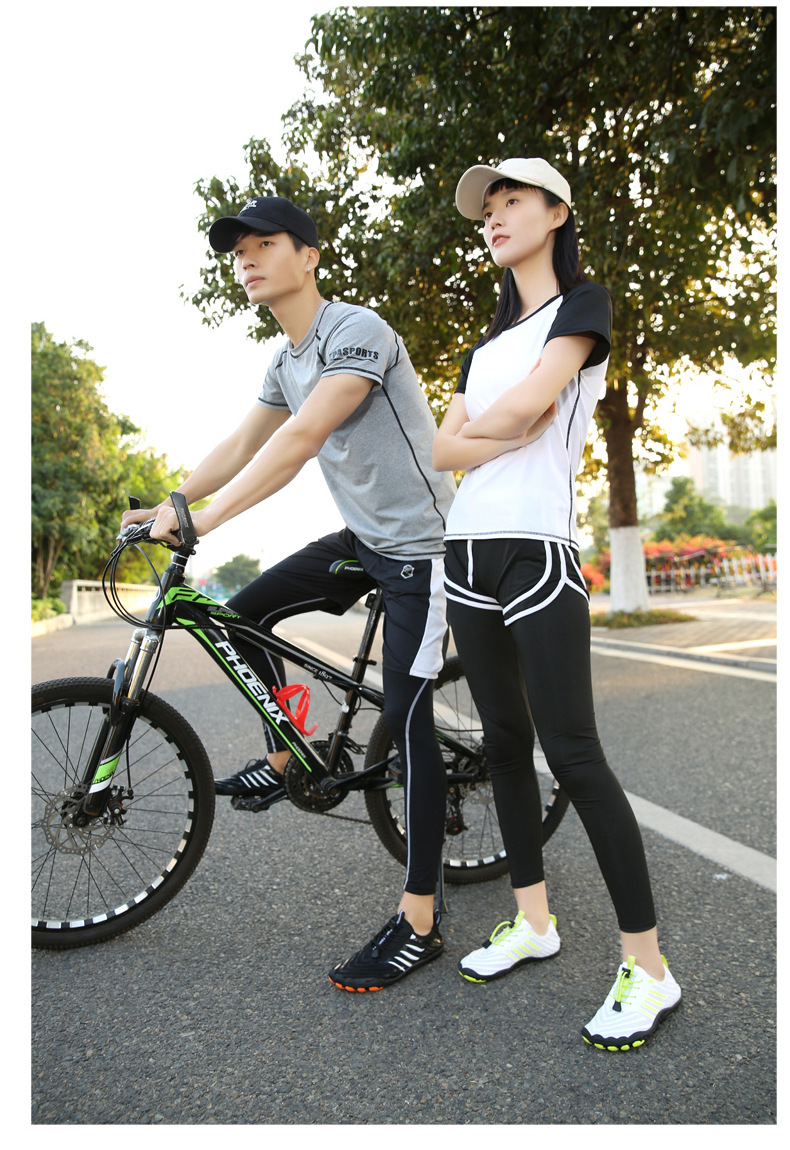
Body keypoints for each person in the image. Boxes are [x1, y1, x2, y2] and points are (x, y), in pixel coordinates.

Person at [122, 195, 456, 990]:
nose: (247, 259)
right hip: (364, 542)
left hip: (424, 549)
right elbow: (243, 442)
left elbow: (302, 438)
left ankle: (421, 921)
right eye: (238, 250)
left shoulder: (356, 331)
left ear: (308, 256)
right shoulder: (284, 360)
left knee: (409, 723)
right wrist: (172, 501)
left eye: (264, 244)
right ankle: (285, 753)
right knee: (238, 617)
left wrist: (203, 521)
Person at [432, 157, 681, 1050]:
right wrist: (496, 431)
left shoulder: (582, 308)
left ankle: (649, 968)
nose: (494, 218)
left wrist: (486, 429)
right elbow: (443, 450)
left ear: (556, 212)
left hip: (536, 553)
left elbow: (531, 408)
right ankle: (533, 921)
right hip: (465, 552)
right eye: (486, 211)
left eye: (511, 202)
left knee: (574, 755)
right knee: (502, 744)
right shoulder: (482, 348)